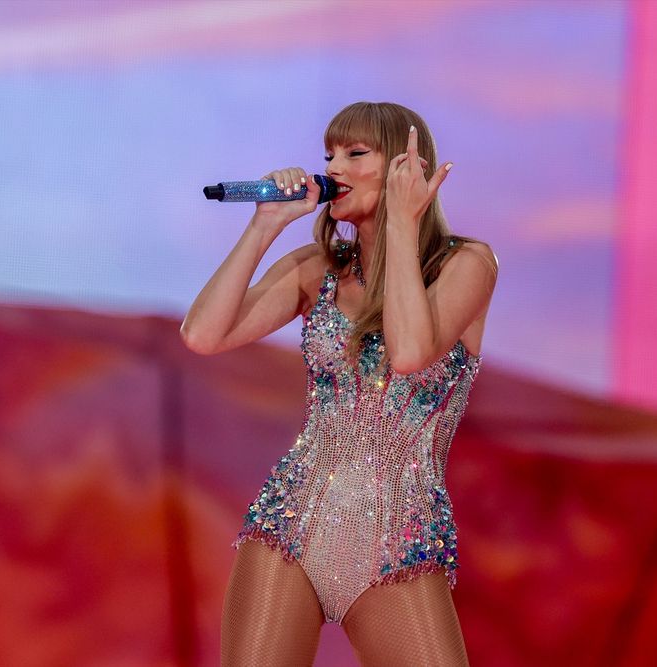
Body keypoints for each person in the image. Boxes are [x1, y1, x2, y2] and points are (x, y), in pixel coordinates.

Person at [180, 101, 498, 666]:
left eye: (355, 153)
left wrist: (400, 224)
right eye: (329, 155)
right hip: (291, 525)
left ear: (408, 168)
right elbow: (203, 335)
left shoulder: (466, 265)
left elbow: (409, 352)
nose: (335, 168)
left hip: (398, 542)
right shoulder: (319, 267)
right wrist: (265, 225)